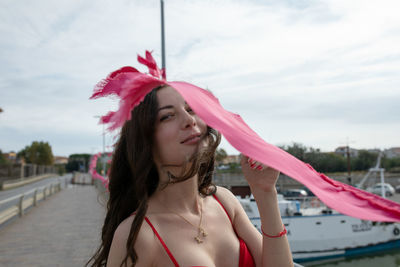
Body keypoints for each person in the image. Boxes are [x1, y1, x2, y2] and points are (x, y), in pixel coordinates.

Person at [88, 83, 293, 267]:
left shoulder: (224, 201)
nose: (189, 120)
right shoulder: (137, 235)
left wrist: (265, 192)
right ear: (146, 142)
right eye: (167, 116)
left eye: (191, 109)